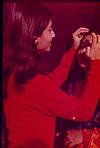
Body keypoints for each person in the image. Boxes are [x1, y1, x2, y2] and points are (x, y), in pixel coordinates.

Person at [3, 2, 100, 148]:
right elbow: (83, 111)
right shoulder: (34, 85)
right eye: (49, 30)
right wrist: (96, 64)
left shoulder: (18, 73)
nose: (54, 35)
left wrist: (73, 49)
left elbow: (49, 84)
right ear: (34, 37)